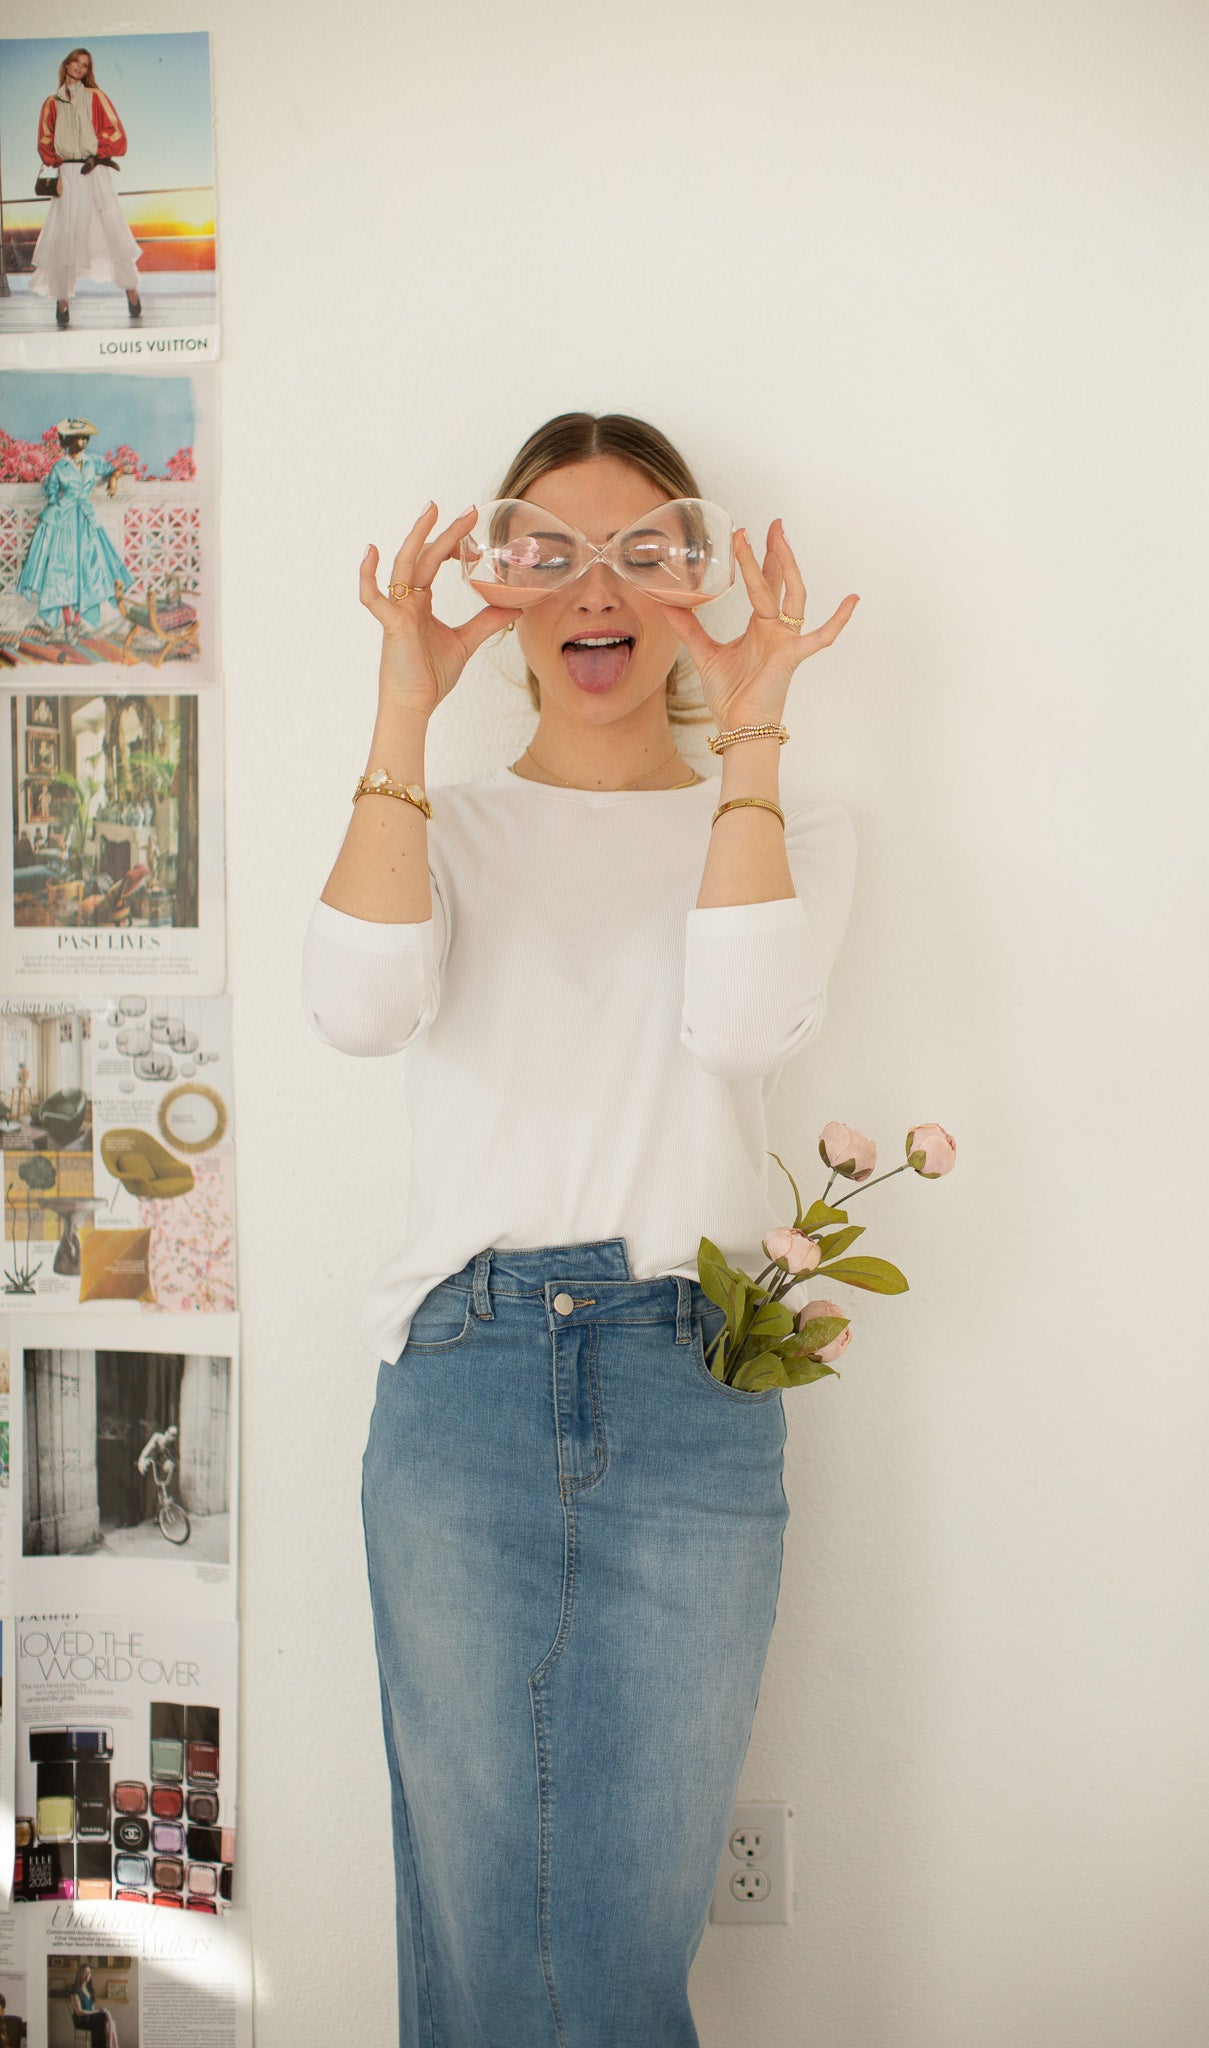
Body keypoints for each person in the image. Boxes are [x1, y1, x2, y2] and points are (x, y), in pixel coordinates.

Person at [302, 410, 860, 2046]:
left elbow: (748, 1028)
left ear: (701, 582)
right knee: (483, 1935)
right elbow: (355, 1005)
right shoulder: (443, 825)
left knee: (614, 1945)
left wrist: (751, 734)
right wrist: (404, 699)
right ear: (497, 579)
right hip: (465, 1381)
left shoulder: (787, 828)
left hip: (693, 1392)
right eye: (548, 550)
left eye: (644, 550)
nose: (597, 588)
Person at [33, 48, 143, 330]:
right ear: (66, 64)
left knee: (111, 225)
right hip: (67, 172)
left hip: (95, 169)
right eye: (76, 62)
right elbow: (44, 140)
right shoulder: (51, 102)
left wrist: (98, 153)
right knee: (65, 232)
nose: (80, 68)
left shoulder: (96, 96)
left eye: (85, 65)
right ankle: (62, 301)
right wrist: (57, 160)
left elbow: (117, 133)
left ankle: (131, 291)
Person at [16, 420, 130, 641]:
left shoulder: (92, 462)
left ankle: (78, 623)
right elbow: (51, 493)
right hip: (64, 521)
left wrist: (114, 478)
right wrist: (54, 515)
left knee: (85, 569)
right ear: (68, 441)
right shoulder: (59, 467)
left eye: (86, 437)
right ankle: (68, 624)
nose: (84, 441)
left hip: (86, 520)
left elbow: (117, 467)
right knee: (62, 571)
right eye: (80, 437)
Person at [67, 1966, 116, 2048]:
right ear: (79, 1974)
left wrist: (100, 2011)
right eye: (84, 1973)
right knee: (103, 2020)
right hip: (81, 2020)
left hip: (90, 2018)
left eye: (89, 1973)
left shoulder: (89, 1989)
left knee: (107, 2019)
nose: (87, 1975)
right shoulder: (75, 1990)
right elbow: (79, 2012)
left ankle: (110, 2046)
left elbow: (92, 2009)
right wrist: (98, 2011)